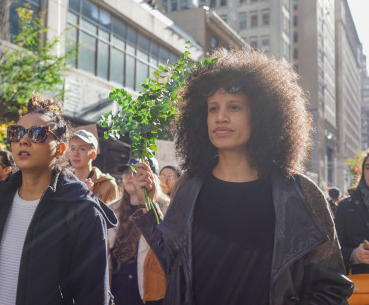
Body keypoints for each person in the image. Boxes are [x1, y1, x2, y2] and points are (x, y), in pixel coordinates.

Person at [130, 48, 353, 304]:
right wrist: (150, 207)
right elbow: (176, 269)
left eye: (234, 107)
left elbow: (332, 288)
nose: (220, 117)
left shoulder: (301, 193)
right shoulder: (189, 185)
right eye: (212, 108)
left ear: (261, 117)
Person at [0, 95, 118, 305]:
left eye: (37, 134)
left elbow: (92, 295)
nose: (23, 140)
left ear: (60, 149)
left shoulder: (83, 211)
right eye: (16, 132)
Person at [108, 159, 169, 305]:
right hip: (116, 292)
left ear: (152, 177)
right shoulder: (111, 209)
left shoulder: (166, 209)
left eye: (137, 172)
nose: (130, 176)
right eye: (127, 172)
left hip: (147, 295)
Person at [335, 149, 369, 281]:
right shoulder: (346, 206)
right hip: (360, 288)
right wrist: (355, 255)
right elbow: (331, 250)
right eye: (368, 168)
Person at [70, 129, 118, 204]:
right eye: (72, 148)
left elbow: (111, 215)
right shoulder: (62, 181)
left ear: (93, 155)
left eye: (82, 149)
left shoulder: (108, 185)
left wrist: (90, 197)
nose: (75, 153)